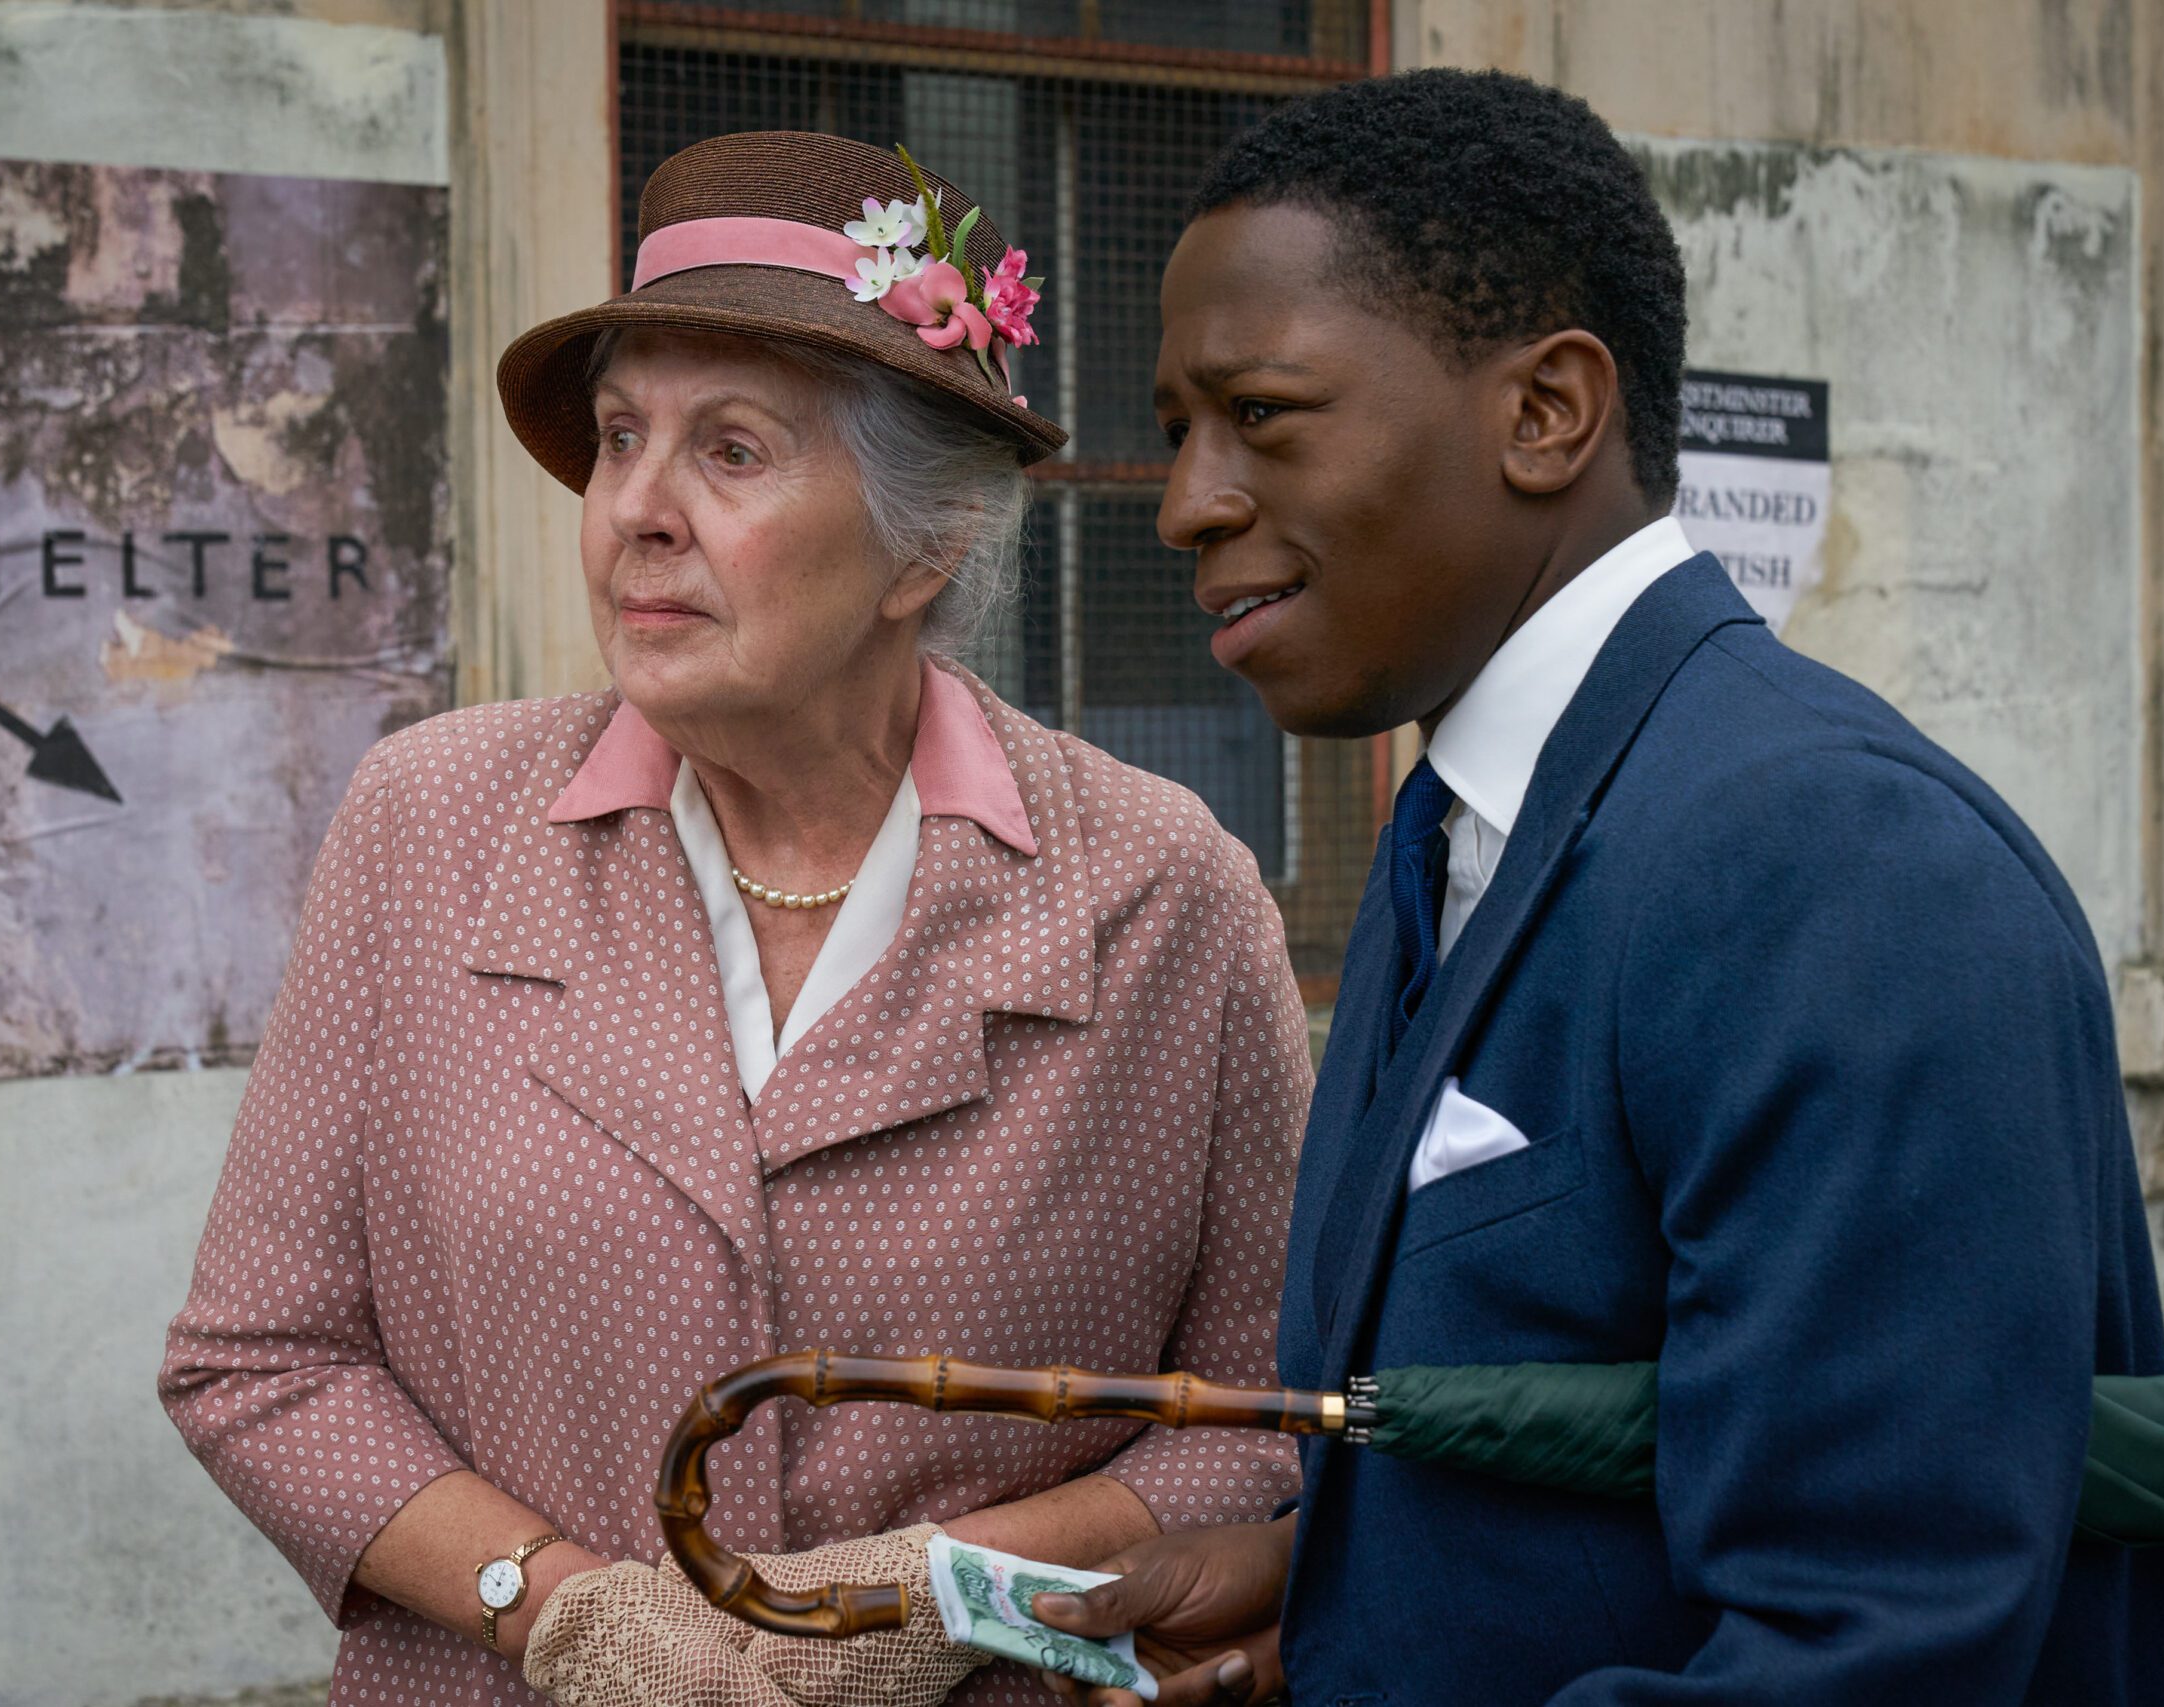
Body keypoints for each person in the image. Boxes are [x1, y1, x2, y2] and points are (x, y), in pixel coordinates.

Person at [1035, 69, 2164, 1706]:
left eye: (1264, 415)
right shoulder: (1462, 822)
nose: (1187, 503)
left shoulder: (1835, 868)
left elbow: (1874, 1647)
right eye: (1178, 431)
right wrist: (1320, 1601)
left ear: (1545, 412)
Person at [159, 130, 1310, 1707]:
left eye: (734, 451)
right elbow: (262, 1363)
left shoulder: (1158, 895)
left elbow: (1263, 1421)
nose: (633, 506)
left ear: (932, 541)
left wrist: (948, 1587)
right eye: (621, 436)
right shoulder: (430, 827)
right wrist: (550, 1605)